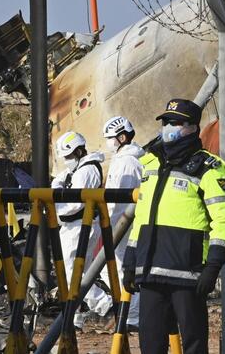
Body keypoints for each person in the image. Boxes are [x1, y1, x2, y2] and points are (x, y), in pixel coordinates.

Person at [121, 98, 225, 354]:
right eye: (166, 122)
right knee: (150, 344)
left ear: (192, 127)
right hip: (150, 269)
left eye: (176, 123)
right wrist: (130, 261)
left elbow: (223, 221)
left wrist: (213, 265)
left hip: (188, 274)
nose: (169, 128)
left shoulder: (209, 168)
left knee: (194, 344)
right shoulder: (150, 164)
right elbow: (142, 218)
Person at [49, 130, 113, 330]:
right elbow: (58, 182)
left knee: (72, 273)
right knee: (77, 272)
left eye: (68, 156)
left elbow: (74, 203)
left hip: (80, 225)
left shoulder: (87, 170)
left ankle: (105, 306)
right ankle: (77, 314)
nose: (66, 161)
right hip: (73, 226)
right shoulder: (77, 169)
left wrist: (54, 206)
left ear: (78, 152)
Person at [101, 115, 145, 332]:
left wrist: (109, 224)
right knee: (121, 270)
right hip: (121, 223)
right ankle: (128, 313)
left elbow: (121, 198)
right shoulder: (125, 158)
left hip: (124, 224)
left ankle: (132, 317)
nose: (108, 142)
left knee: (125, 270)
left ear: (122, 137)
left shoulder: (128, 161)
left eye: (111, 138)